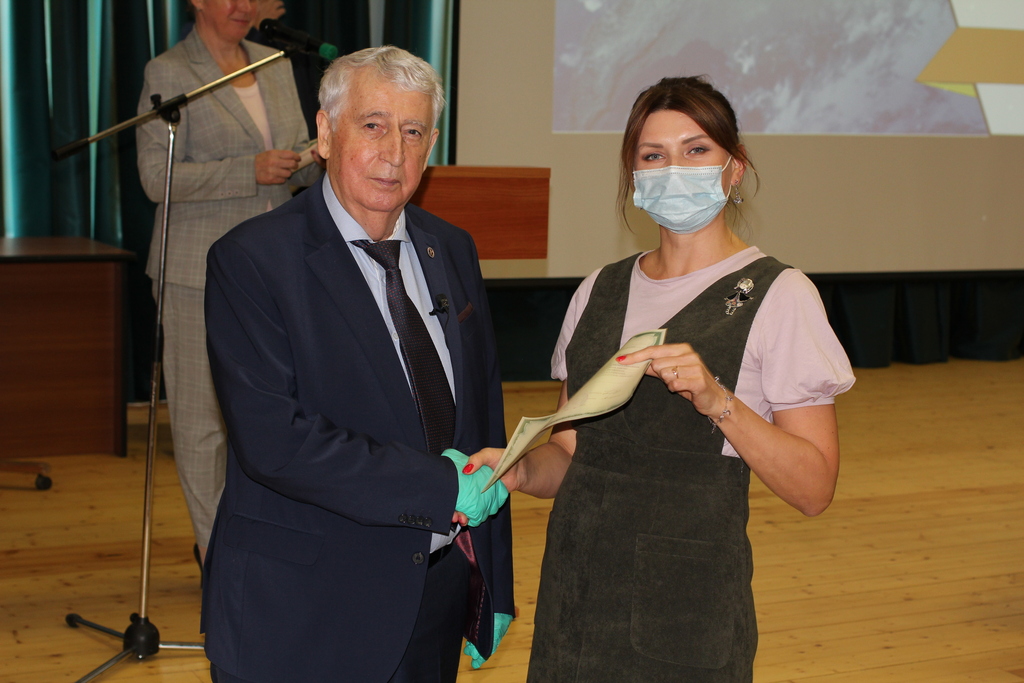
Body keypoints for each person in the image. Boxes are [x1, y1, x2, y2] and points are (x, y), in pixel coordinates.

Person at [467, 76, 856, 682]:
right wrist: (520, 470)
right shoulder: (598, 290)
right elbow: (571, 455)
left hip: (686, 609)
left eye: (696, 150)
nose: (674, 169)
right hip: (575, 598)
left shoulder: (780, 295)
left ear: (734, 168)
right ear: (634, 175)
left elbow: (814, 489)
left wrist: (718, 400)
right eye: (654, 155)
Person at [201, 46, 515, 683]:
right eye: (373, 125)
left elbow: (482, 417)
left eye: (413, 132)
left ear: (431, 147)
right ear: (324, 133)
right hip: (303, 612)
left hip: (431, 601)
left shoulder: (452, 248)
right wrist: (439, 489)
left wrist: (491, 580)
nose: (394, 153)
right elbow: (276, 442)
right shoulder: (252, 260)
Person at [136, 0, 321, 568]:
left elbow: (301, 164)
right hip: (195, 272)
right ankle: (216, 555)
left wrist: (320, 156)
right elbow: (155, 177)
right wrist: (249, 169)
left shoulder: (273, 63)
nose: (245, 6)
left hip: (275, 271)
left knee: (276, 416)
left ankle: (263, 544)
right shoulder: (169, 71)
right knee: (202, 426)